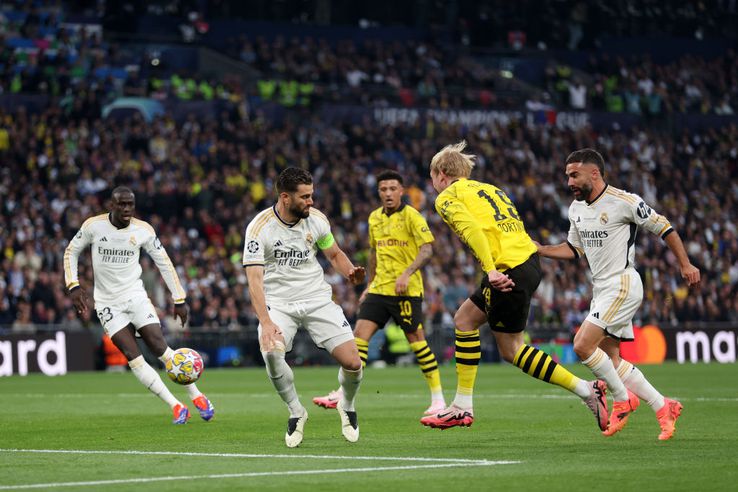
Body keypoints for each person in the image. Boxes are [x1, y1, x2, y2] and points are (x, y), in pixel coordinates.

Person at [421, 141, 607, 430]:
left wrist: (491, 269)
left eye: (432, 177)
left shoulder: (447, 196)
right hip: (527, 262)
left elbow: (472, 231)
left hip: (508, 270)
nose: (432, 184)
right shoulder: (491, 189)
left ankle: (587, 390)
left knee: (512, 350)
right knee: (465, 319)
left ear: (442, 173)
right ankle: (461, 405)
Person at [536, 148, 700, 440]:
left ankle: (622, 399)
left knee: (583, 345)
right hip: (601, 289)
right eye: (567, 176)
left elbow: (665, 228)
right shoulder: (575, 209)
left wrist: (685, 264)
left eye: (574, 175)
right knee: (611, 359)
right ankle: (664, 406)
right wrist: (541, 249)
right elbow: (574, 250)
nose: (569, 182)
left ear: (594, 173)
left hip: (622, 282)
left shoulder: (625, 202)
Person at [64, 186, 214, 424]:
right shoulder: (93, 226)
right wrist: (73, 285)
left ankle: (197, 395)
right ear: (111, 206)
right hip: (107, 304)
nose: (126, 209)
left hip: (135, 296)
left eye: (130, 205)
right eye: (121, 204)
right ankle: (176, 406)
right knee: (133, 357)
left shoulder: (143, 230)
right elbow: (71, 251)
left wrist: (179, 299)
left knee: (160, 347)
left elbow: (164, 262)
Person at [243, 167, 365, 448]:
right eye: (305, 197)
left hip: (316, 299)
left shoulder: (317, 220)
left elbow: (333, 253)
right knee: (272, 352)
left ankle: (346, 404)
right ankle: (296, 411)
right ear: (285, 198)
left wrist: (349, 272)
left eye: (312, 195)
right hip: (279, 304)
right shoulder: (259, 228)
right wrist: (266, 322)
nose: (311, 201)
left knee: (353, 363)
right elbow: (254, 280)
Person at [312, 170, 446, 416]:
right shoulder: (374, 218)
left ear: (401, 191)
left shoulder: (412, 216)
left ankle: (438, 400)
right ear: (378, 192)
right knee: (359, 336)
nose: (388, 193)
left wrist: (407, 273)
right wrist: (369, 286)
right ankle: (343, 393)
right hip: (380, 288)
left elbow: (427, 250)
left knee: (417, 341)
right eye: (383, 189)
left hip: (406, 290)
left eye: (393, 188)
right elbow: (374, 255)